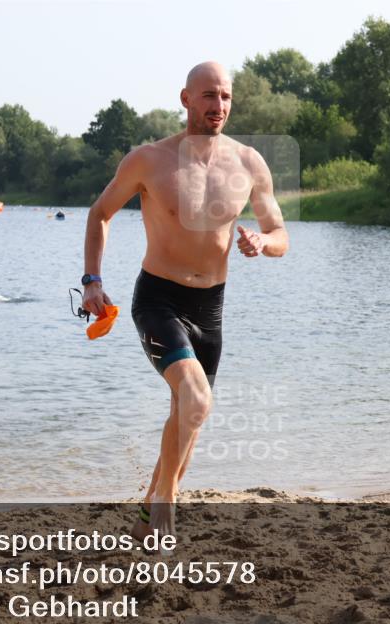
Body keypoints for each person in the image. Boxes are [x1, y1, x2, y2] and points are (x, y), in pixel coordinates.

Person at [81, 61, 289, 543]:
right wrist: (92, 280)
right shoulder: (149, 160)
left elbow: (281, 234)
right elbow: (100, 214)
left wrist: (262, 241)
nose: (219, 106)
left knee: (190, 414)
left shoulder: (249, 163)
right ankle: (166, 503)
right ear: (186, 99)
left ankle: (145, 520)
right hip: (158, 299)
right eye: (209, 96)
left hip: (210, 308)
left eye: (226, 97)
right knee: (195, 399)